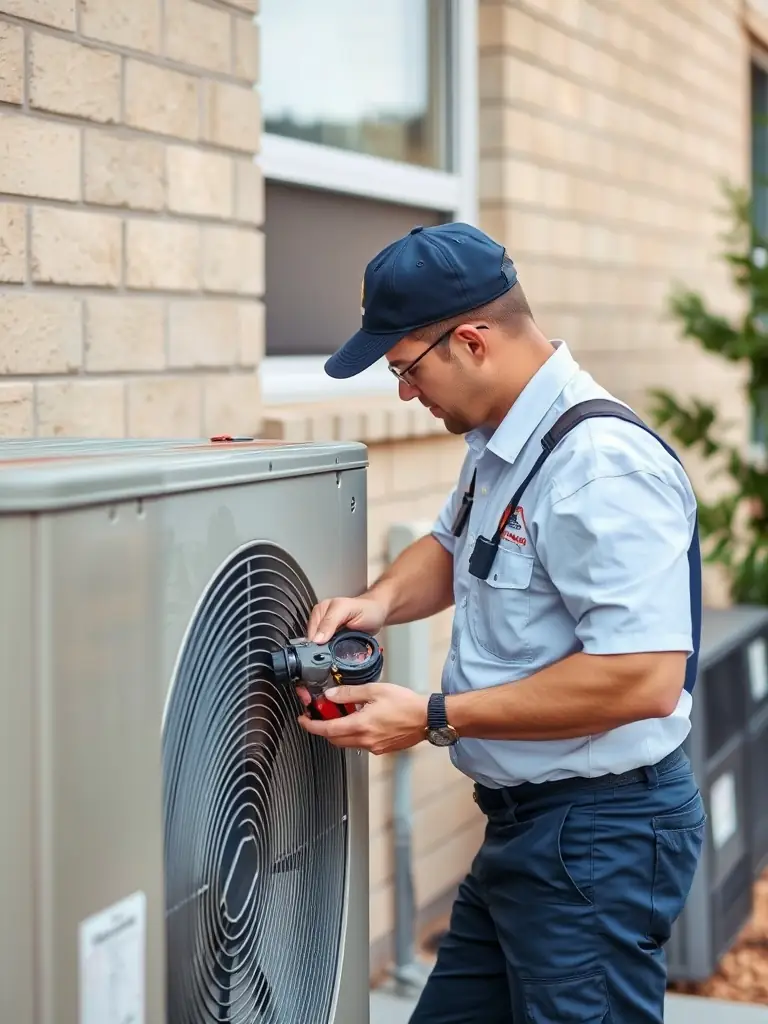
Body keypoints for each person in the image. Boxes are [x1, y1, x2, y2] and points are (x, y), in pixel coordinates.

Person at [297, 222, 706, 1023]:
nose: (405, 394)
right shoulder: (503, 442)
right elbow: (456, 546)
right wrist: (376, 602)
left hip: (597, 837)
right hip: (530, 832)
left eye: (407, 369)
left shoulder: (598, 468)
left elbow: (645, 677)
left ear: (473, 342)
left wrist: (435, 719)